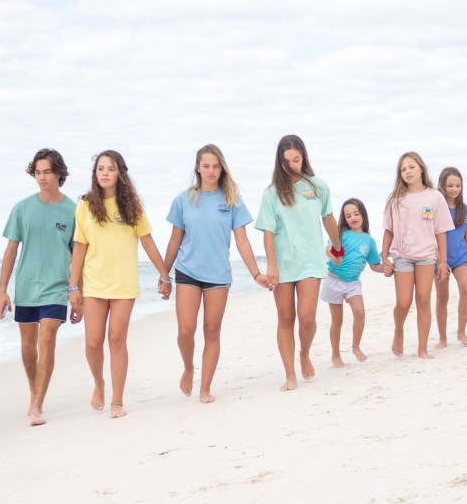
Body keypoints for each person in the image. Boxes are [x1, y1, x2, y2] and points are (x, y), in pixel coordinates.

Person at [68, 151, 171, 418]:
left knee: (116, 338)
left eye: (110, 169)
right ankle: (99, 383)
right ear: (95, 173)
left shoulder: (131, 205)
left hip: (124, 284)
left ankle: (117, 401)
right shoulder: (84, 206)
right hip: (94, 283)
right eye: (100, 168)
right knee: (93, 343)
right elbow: (79, 247)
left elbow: (147, 241)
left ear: (120, 173)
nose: (105, 173)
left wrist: (164, 274)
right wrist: (73, 287)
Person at [163, 144, 270, 403]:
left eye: (215, 166)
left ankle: (205, 388)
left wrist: (257, 274)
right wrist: (164, 275)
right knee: (186, 331)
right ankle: (188, 368)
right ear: (198, 168)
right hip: (187, 271)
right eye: (206, 166)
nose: (211, 171)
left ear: (222, 169)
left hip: (218, 275)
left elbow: (242, 242)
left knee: (212, 331)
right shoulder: (183, 200)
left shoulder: (232, 200)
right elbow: (175, 241)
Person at [0, 148, 79, 427]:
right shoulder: (22, 208)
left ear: (59, 174)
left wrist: (77, 291)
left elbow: (79, 256)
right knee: (28, 346)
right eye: (38, 173)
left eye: (47, 172)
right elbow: (10, 250)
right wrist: (2, 291)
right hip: (26, 287)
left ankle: (37, 403)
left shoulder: (73, 211)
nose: (41, 177)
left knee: (47, 340)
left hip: (57, 287)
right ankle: (34, 389)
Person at [255, 134, 343, 391]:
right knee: (285, 318)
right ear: (279, 162)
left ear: (303, 157)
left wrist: (338, 248)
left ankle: (304, 353)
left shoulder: (318, 186)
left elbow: (328, 218)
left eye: (296, 159)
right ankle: (290, 373)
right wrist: (271, 265)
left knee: (306, 318)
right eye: (287, 161)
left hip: (310, 261)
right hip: (282, 264)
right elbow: (268, 232)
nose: (292, 165)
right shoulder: (272, 193)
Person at [381, 152, 453, 359]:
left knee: (423, 300)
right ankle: (399, 330)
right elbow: (388, 230)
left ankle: (422, 349)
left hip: (427, 256)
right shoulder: (395, 199)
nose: (408, 172)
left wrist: (442, 261)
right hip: (402, 256)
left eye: (411, 167)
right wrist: (384, 257)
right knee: (403, 303)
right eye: (403, 169)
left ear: (421, 168)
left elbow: (441, 231)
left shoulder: (435, 197)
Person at [323, 198, 384, 367]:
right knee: (337, 321)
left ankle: (356, 347)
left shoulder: (369, 241)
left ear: (363, 215)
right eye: (348, 216)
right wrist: (333, 255)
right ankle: (336, 355)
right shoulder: (340, 234)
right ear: (344, 219)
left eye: (356, 214)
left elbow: (374, 265)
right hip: (334, 279)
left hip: (352, 284)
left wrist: (387, 268)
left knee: (360, 313)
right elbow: (328, 248)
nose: (353, 218)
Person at [435, 166, 467, 347]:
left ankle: (461, 332)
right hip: (440, 259)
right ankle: (442, 338)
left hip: (460, 257)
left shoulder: (465, 210)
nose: (454, 189)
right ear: (442, 186)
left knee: (466, 290)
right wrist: (439, 259)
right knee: (442, 297)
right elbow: (429, 234)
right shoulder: (434, 208)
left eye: (458, 185)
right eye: (450, 186)